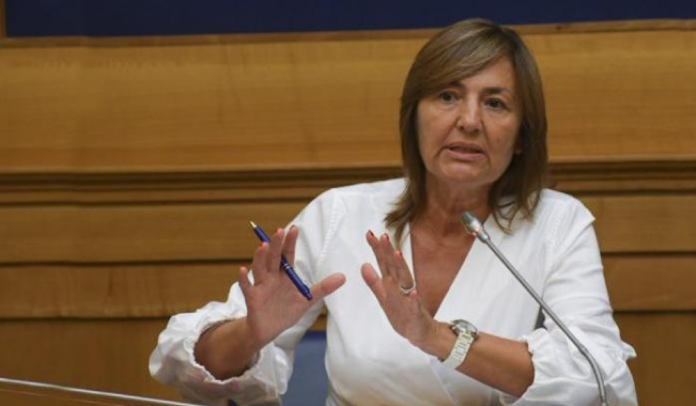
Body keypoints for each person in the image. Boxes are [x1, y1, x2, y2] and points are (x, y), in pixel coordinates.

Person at [149, 18, 637, 405]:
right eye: (447, 96)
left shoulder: (558, 224)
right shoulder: (340, 215)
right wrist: (251, 334)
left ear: (523, 134)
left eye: (495, 103)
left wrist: (438, 338)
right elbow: (186, 366)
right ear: (414, 117)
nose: (469, 121)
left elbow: (598, 377)